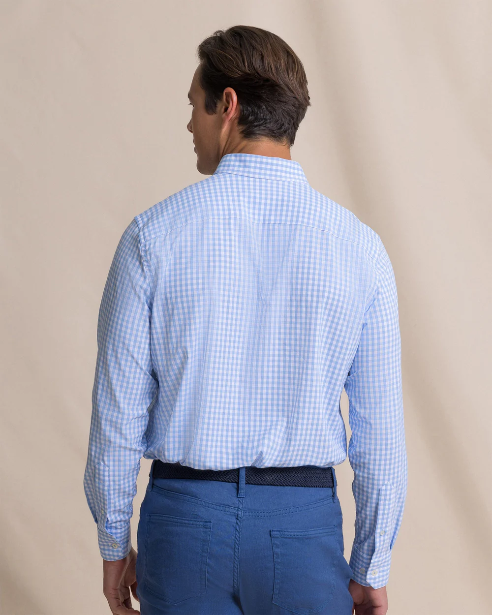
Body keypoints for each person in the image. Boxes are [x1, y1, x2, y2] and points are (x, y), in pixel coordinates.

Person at [83, 25, 407, 615]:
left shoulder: (152, 237)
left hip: (183, 527)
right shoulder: (360, 249)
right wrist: (370, 565)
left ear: (227, 105)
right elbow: (380, 436)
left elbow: (117, 415)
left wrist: (112, 544)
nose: (189, 124)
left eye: (194, 105)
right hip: (303, 531)